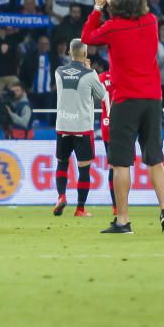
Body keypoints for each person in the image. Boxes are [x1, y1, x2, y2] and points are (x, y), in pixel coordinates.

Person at [81, 0, 164, 235]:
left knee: (122, 164)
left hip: (125, 101)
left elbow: (86, 38)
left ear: (117, 2)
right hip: (153, 99)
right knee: (155, 159)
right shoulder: (152, 22)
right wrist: (113, 4)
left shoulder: (113, 27)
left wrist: (99, 7)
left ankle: (123, 221)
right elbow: (133, 19)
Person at [52, 39, 105, 218]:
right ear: (85, 54)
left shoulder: (58, 72)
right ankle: (80, 209)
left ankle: (61, 196)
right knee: (83, 169)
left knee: (62, 162)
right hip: (82, 127)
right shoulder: (90, 75)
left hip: (63, 125)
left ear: (69, 53)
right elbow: (102, 95)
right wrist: (91, 71)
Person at [98, 69, 117, 214]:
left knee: (114, 167)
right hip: (123, 125)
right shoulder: (126, 75)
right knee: (121, 167)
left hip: (106, 125)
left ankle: (116, 206)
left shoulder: (101, 77)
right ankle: (119, 205)